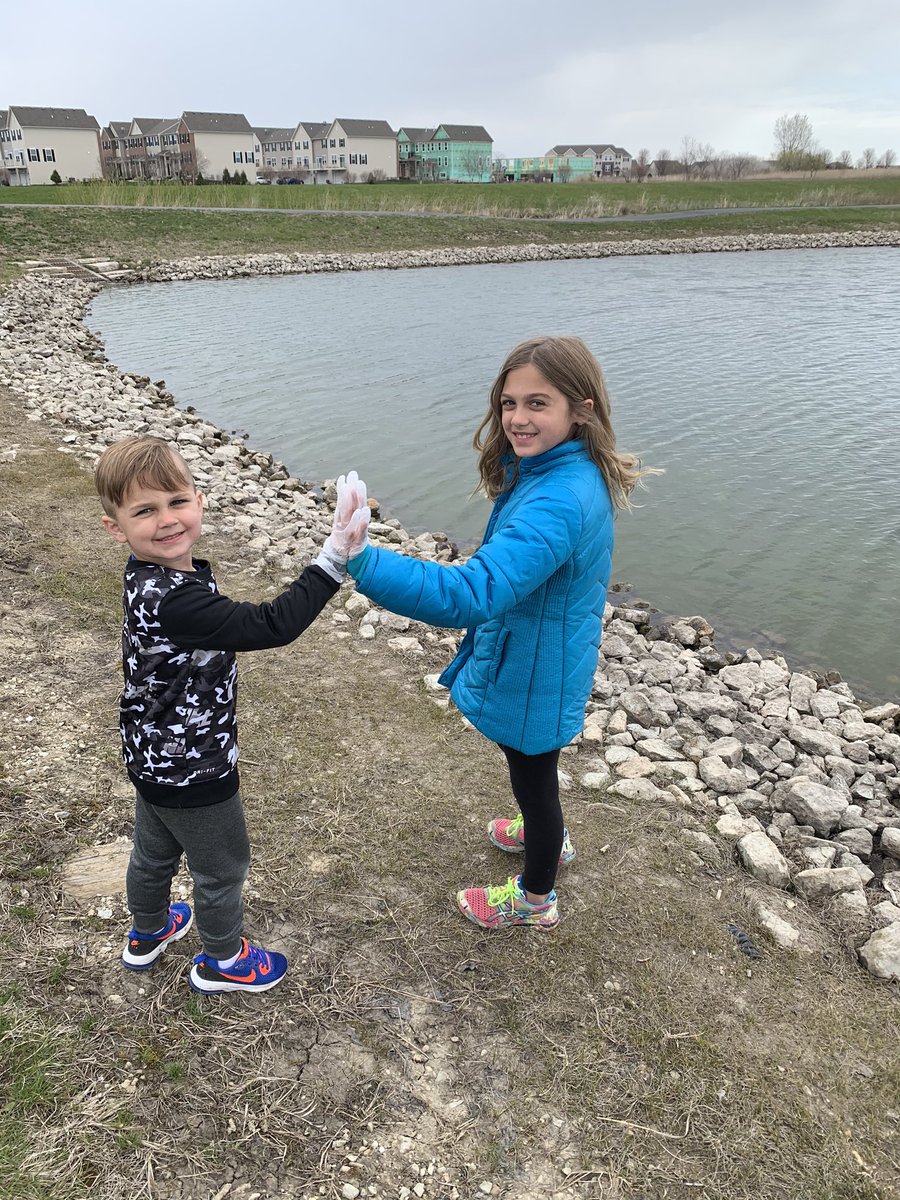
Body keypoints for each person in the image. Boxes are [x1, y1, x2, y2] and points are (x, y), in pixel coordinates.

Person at [344, 335, 654, 931]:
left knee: (534, 779)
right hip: (541, 654)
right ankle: (548, 837)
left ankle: (536, 896)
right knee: (531, 771)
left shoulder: (560, 496)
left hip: (538, 665)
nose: (516, 419)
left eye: (538, 403)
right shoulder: (557, 470)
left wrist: (362, 559)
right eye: (509, 403)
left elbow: (472, 593)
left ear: (579, 407)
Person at [95, 437, 368, 993]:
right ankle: (225, 960)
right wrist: (334, 557)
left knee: (153, 853)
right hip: (196, 765)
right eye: (144, 511)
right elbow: (270, 625)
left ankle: (148, 932)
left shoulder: (151, 574)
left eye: (176, 502)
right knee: (221, 867)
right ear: (115, 527)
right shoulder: (175, 598)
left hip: (150, 754)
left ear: (199, 499)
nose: (167, 520)